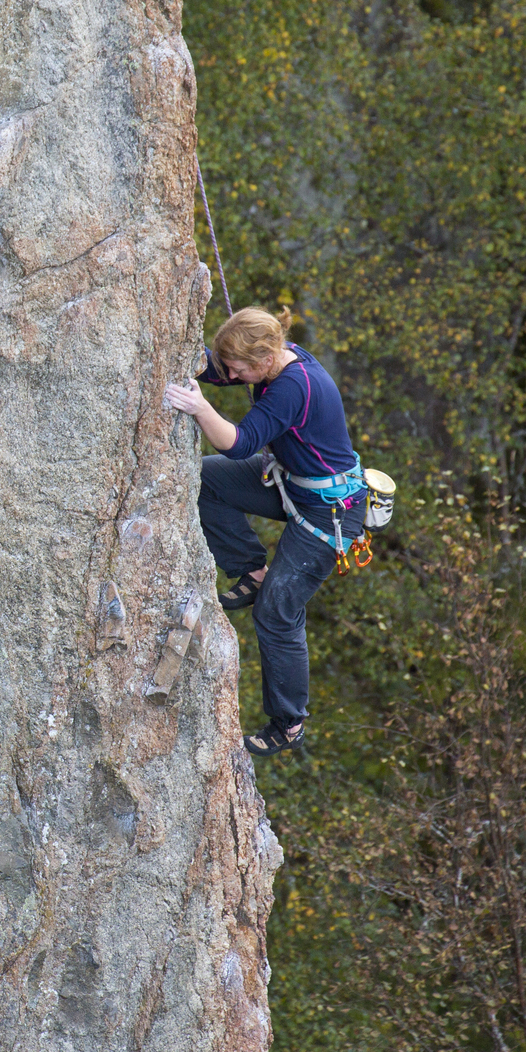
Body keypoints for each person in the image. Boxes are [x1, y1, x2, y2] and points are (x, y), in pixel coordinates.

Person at [164, 306, 366, 757]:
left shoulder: (294, 387)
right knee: (206, 481)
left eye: (239, 367)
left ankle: (288, 721)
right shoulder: (277, 358)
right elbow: (222, 370)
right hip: (294, 483)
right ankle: (251, 571)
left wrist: (199, 407)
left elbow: (236, 443)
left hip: (329, 511)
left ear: (261, 361)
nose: (232, 373)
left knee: (276, 612)